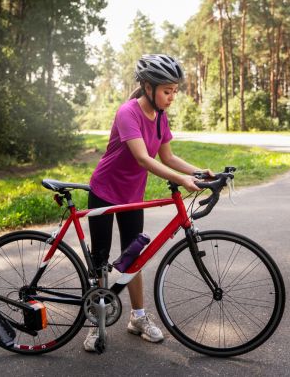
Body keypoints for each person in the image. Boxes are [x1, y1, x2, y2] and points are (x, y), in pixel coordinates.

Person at [84, 53, 212, 352]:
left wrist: (199, 172)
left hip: (132, 196)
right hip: (104, 190)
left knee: (134, 259)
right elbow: (143, 158)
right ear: (148, 86)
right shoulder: (128, 112)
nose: (172, 97)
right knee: (101, 261)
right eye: (167, 91)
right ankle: (96, 324)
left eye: (175, 91)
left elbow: (167, 156)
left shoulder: (161, 117)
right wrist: (181, 180)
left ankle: (137, 318)